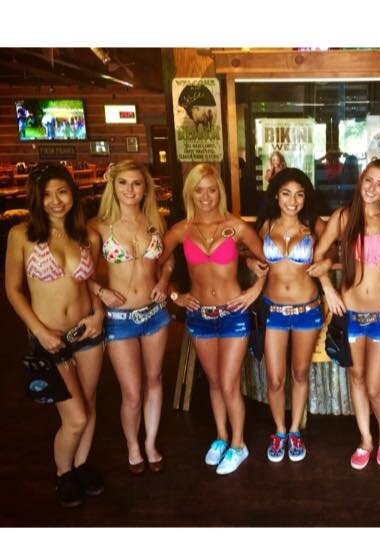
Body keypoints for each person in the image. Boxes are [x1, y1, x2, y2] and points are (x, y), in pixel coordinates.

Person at [5, 163, 105, 507]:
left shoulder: (88, 236)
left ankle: (81, 464)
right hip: (51, 338)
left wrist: (99, 314)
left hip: (87, 332)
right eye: (46, 195)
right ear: (37, 199)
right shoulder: (21, 235)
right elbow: (13, 289)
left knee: (89, 404)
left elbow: (92, 283)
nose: (55, 201)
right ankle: (63, 473)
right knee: (75, 417)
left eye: (62, 191)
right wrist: (39, 331)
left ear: (72, 194)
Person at [161, 163, 266, 475]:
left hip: (233, 315)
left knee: (229, 383)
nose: (206, 196)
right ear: (189, 193)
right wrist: (174, 295)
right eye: (198, 190)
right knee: (215, 382)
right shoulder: (181, 230)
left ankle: (238, 444)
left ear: (220, 191)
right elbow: (155, 263)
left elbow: (270, 260)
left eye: (211, 190)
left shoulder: (237, 226)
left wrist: (254, 290)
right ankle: (221, 437)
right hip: (199, 316)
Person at [309, 159, 380, 469]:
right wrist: (328, 288)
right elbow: (317, 255)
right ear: (361, 179)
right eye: (368, 180)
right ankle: (365, 439)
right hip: (350, 315)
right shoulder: (344, 217)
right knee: (357, 378)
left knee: (375, 385)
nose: (372, 188)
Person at [90, 160, 172, 475]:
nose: (130, 189)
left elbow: (167, 260)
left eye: (136, 183)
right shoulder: (98, 227)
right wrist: (100, 291)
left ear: (145, 188)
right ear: (113, 186)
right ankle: (132, 445)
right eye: (123, 183)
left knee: (154, 380)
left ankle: (150, 443)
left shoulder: (155, 221)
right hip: (119, 318)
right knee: (133, 393)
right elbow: (80, 273)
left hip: (154, 313)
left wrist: (165, 281)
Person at [256, 168, 326, 463]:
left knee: (299, 373)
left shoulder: (314, 225)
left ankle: (295, 430)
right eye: (286, 193)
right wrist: (249, 262)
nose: (293, 201)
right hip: (273, 311)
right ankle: (280, 431)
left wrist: (327, 265)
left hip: (307, 311)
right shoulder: (266, 225)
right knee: (274, 379)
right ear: (276, 195)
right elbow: (246, 253)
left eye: (299, 195)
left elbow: (337, 253)